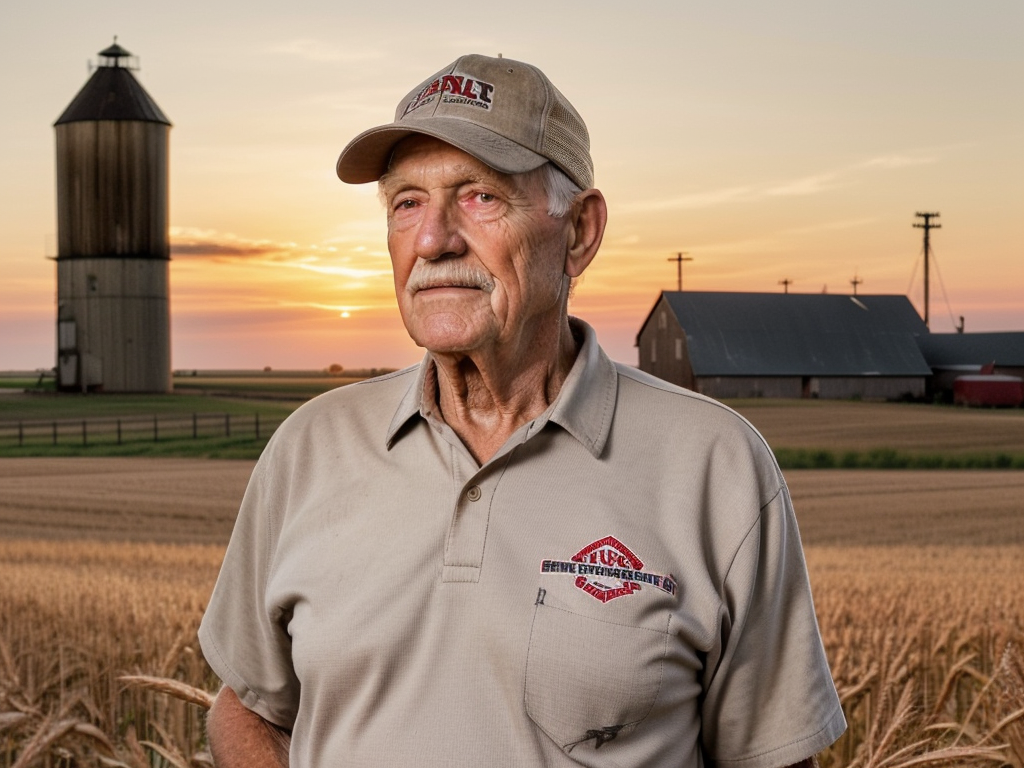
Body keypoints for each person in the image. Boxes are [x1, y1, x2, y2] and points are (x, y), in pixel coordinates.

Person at [198, 53, 846, 768]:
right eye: (406, 202)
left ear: (580, 233)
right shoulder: (311, 448)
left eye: (479, 196)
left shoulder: (713, 466)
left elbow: (773, 757)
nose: (433, 239)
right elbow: (247, 707)